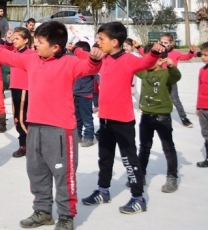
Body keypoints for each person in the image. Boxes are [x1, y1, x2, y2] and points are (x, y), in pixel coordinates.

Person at [0, 21, 103, 230]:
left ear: (55, 47)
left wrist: (94, 58)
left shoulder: (69, 63)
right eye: (35, 40)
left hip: (60, 130)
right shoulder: (32, 59)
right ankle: (43, 211)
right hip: (35, 127)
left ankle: (66, 216)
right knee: (36, 171)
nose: (35, 45)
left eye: (40, 42)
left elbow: (89, 67)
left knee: (64, 175)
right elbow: (9, 57)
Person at [81, 22, 164, 215]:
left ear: (115, 42)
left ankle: (138, 198)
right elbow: (85, 61)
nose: (98, 42)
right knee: (105, 158)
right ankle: (103, 190)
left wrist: (154, 53)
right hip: (105, 119)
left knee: (129, 160)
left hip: (123, 121)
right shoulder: (103, 59)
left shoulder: (128, 59)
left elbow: (146, 63)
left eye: (102, 39)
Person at [135, 49, 181, 192]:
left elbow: (177, 76)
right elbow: (133, 67)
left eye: (152, 58)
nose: (148, 61)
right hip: (146, 116)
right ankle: (140, 175)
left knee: (168, 148)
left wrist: (172, 66)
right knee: (144, 147)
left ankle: (172, 177)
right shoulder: (145, 73)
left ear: (161, 61)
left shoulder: (166, 74)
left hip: (162, 117)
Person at [4, 27, 34, 158]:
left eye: (17, 39)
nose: (14, 41)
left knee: (23, 118)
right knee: (17, 118)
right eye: (13, 38)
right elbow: (4, 52)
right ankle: (23, 144)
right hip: (14, 87)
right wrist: (8, 40)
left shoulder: (31, 54)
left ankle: (30, 145)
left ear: (26, 40)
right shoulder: (14, 52)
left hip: (25, 88)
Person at [159, 33, 196, 128]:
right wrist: (138, 47)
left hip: (171, 81)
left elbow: (186, 57)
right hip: (160, 80)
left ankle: (183, 117)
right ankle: (160, 117)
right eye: (161, 42)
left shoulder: (175, 53)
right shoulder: (157, 52)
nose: (163, 44)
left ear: (171, 43)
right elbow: (145, 55)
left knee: (175, 99)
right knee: (160, 99)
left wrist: (191, 52)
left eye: (166, 42)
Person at [71, 41, 96, 147]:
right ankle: (78, 135)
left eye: (78, 51)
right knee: (77, 118)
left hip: (86, 96)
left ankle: (89, 137)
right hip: (75, 94)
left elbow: (98, 78)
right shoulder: (75, 63)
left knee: (87, 118)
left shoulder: (90, 65)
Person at [196, 41, 208, 168]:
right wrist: (198, 107)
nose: (203, 57)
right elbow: (200, 88)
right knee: (206, 133)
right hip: (203, 107)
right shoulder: (202, 70)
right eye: (202, 55)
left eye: (206, 55)